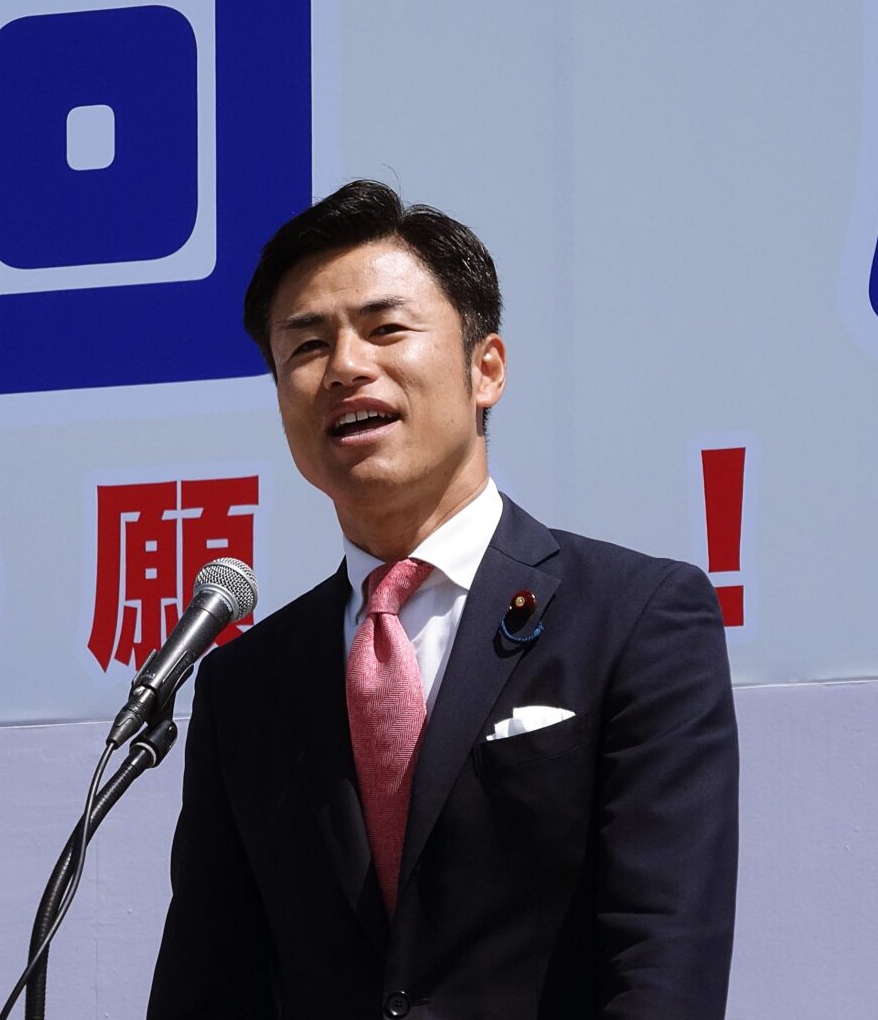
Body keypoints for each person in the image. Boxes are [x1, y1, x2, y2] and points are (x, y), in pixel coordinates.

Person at [148, 180, 738, 1019]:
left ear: (484, 368)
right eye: (307, 346)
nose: (345, 366)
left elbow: (663, 959)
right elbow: (208, 985)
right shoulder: (246, 685)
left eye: (385, 329)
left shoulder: (636, 619)